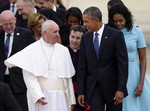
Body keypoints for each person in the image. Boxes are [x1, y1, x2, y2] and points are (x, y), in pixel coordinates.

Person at [5, 20, 76, 111]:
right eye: (55, 32)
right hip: (42, 96)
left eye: (58, 31)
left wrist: (71, 100)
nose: (58, 34)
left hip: (60, 97)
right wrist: (37, 95)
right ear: (45, 33)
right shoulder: (32, 50)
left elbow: (67, 78)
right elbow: (29, 76)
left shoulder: (64, 50)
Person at [77, 6, 128, 111]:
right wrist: (81, 91)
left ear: (96, 20)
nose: (84, 24)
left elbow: (122, 64)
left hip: (113, 87)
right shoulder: (85, 38)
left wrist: (121, 89)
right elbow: (82, 66)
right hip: (94, 87)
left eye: (86, 21)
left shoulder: (116, 35)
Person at [108, 4, 150, 111]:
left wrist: (141, 83)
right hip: (116, 74)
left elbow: (143, 59)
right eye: (115, 21)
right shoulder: (109, 33)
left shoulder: (137, 32)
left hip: (134, 75)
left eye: (121, 20)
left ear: (126, 18)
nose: (118, 24)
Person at [0, 10, 35, 111]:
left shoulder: (26, 34)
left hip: (19, 82)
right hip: (2, 81)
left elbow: (32, 55)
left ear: (15, 20)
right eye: (5, 24)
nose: (9, 27)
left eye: (11, 23)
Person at [67, 25, 86, 111]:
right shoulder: (63, 51)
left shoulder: (87, 52)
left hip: (82, 92)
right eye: (72, 37)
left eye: (78, 38)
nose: (74, 41)